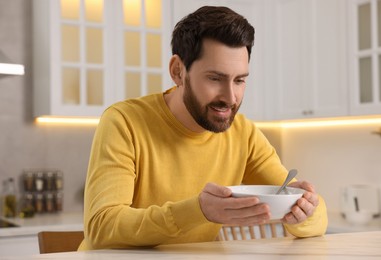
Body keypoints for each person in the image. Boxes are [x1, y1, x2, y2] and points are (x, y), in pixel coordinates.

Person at [78, 6, 327, 250]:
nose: (230, 97)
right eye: (215, 78)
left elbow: (318, 218)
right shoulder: (124, 122)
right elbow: (102, 227)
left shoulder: (244, 134)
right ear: (178, 71)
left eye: (239, 80)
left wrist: (303, 211)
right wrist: (198, 211)